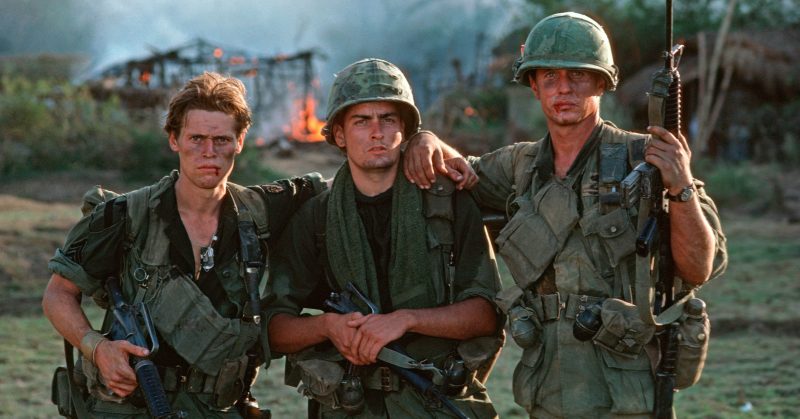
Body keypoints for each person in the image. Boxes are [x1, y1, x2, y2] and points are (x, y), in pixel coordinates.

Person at [405, 12, 728, 418]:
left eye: (578, 76)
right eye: (551, 77)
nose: (564, 89)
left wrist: (679, 184)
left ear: (600, 82)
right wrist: (425, 138)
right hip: (548, 387)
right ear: (534, 86)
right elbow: (456, 172)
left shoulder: (645, 161)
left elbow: (699, 267)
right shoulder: (519, 166)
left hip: (625, 391)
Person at [42, 72, 327, 418]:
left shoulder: (261, 209)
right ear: (174, 139)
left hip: (218, 407)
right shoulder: (124, 216)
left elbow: (352, 178)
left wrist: (411, 147)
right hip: (134, 403)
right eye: (196, 138)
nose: (209, 153)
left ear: (240, 141)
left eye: (222, 140)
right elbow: (58, 294)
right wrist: (97, 348)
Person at [264, 58, 504, 418]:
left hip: (434, 399)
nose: (377, 132)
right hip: (350, 404)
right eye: (362, 120)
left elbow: (487, 313)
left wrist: (405, 319)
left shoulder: (446, 202)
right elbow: (274, 328)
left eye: (388, 119)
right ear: (339, 134)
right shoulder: (317, 217)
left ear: (405, 129)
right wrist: (328, 326)